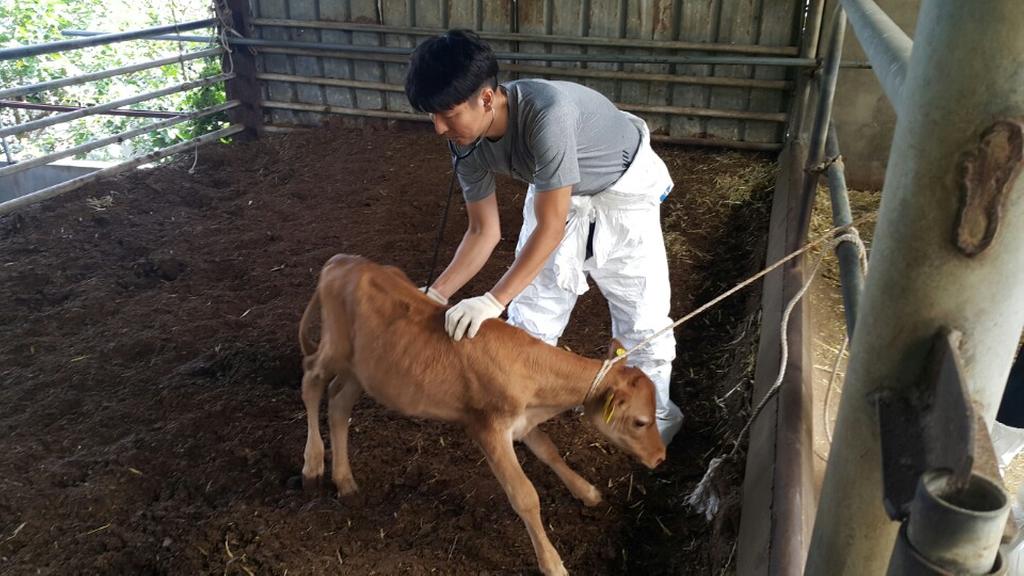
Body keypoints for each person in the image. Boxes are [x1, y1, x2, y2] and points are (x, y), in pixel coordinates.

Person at [404, 29, 683, 445]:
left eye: (447, 113)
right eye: (431, 115)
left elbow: (550, 228)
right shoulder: (467, 141)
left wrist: (492, 300)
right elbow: (483, 231)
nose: (439, 128)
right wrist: (437, 294)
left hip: (623, 192)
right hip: (556, 190)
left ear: (486, 98)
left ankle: (653, 421)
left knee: (641, 316)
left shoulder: (547, 116)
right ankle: (523, 405)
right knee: (534, 310)